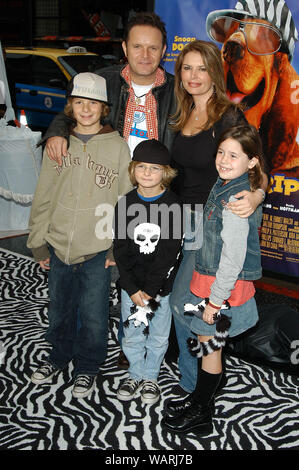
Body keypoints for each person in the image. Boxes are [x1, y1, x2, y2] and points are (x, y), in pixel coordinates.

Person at [43, 11, 177, 370]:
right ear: (124, 47)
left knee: (148, 266)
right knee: (107, 268)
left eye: (152, 48)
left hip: (153, 193)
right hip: (106, 187)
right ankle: (100, 338)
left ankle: (141, 346)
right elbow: (71, 109)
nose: (144, 54)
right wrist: (55, 131)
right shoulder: (104, 80)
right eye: (137, 46)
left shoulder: (177, 90)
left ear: (163, 50)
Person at [168, 40, 268, 396]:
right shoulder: (178, 110)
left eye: (202, 68)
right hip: (175, 217)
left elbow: (258, 164)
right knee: (172, 299)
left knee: (186, 303)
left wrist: (256, 195)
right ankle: (193, 375)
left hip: (208, 224)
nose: (194, 76)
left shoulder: (227, 115)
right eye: (187, 68)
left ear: (215, 72)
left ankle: (196, 386)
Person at [27, 72, 132, 398]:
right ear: (70, 106)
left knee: (94, 315)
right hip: (58, 246)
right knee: (59, 308)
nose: (86, 109)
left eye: (93, 104)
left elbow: (125, 200)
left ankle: (88, 365)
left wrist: (118, 249)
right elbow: (43, 193)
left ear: (104, 108)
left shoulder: (117, 148)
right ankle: (58, 355)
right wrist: (37, 242)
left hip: (97, 250)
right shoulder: (58, 144)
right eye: (79, 102)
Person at [161, 123, 266, 434]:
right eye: (221, 152)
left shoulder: (235, 199)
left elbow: (232, 259)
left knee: (211, 349)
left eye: (234, 155)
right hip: (211, 280)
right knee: (210, 347)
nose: (223, 159)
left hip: (222, 290)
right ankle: (199, 399)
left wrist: (215, 302)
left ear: (251, 161)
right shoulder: (227, 183)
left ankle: (202, 412)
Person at [113, 139, 183, 405]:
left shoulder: (173, 206)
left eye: (154, 168)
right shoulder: (125, 203)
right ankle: (135, 373)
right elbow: (120, 248)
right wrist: (131, 288)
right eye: (141, 166)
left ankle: (151, 376)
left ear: (165, 172)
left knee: (158, 334)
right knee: (131, 332)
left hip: (160, 288)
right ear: (133, 169)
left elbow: (168, 254)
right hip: (131, 287)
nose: (147, 173)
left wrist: (150, 291)